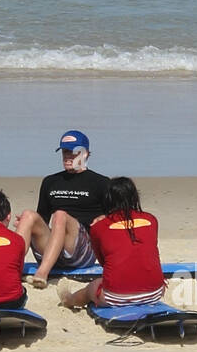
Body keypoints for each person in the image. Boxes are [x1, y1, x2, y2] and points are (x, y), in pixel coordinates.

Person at [14, 130, 110, 289]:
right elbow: (43, 219)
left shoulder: (101, 182)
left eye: (73, 152)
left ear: (85, 154)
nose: (68, 156)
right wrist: (26, 225)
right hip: (52, 249)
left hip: (82, 251)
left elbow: (116, 220)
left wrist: (104, 219)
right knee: (28, 215)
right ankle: (11, 269)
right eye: (65, 152)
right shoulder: (50, 181)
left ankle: (42, 274)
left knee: (60, 215)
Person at [59, 176, 165, 309]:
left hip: (116, 296)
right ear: (134, 197)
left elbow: (104, 263)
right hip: (155, 293)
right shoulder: (152, 220)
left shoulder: (99, 227)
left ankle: (68, 299)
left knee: (91, 288)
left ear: (107, 199)